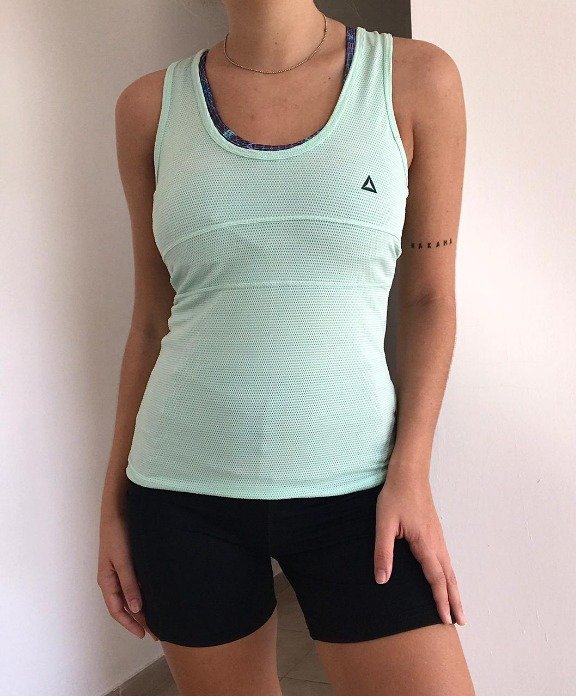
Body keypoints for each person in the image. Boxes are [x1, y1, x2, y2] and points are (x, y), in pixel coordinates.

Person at [98, 2, 474, 694]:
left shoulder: (416, 79)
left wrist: (413, 471)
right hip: (180, 493)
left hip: (361, 492)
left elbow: (428, 298)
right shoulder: (148, 108)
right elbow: (150, 319)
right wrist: (113, 505)